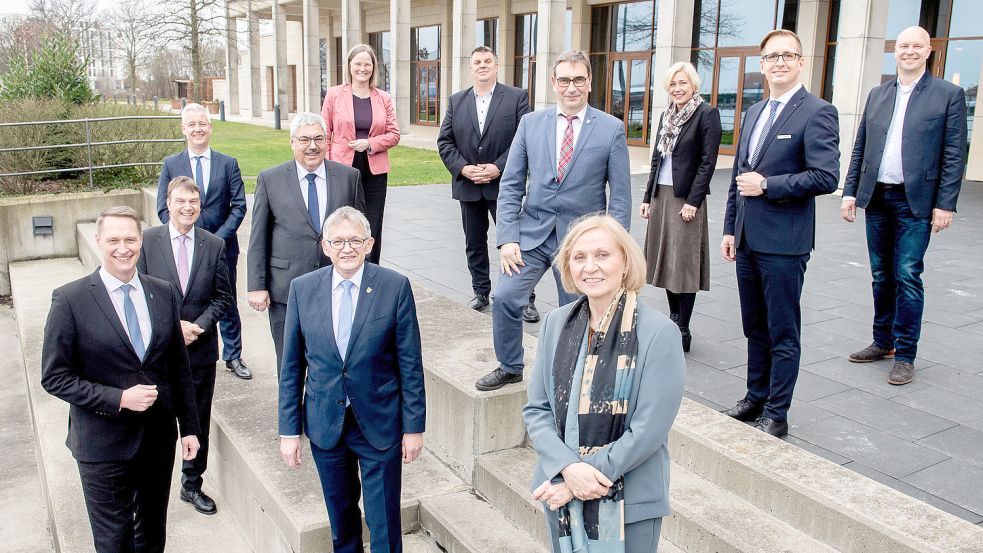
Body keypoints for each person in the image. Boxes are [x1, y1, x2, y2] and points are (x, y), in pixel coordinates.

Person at [41, 206, 200, 553]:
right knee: (114, 542)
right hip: (102, 444)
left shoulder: (164, 291)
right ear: (98, 241)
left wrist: (188, 427)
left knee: (153, 533)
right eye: (113, 240)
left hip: (157, 441)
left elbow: (178, 367)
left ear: (141, 241)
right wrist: (118, 398)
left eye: (130, 239)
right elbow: (55, 377)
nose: (123, 248)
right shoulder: (70, 299)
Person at [523, 214, 685, 553]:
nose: (590, 266)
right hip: (559, 487)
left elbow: (647, 432)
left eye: (602, 255)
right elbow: (537, 410)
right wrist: (568, 470)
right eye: (579, 257)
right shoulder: (555, 323)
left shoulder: (658, 334)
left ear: (625, 262)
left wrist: (579, 480)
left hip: (629, 500)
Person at [476, 50, 632, 392]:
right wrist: (508, 238)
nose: (571, 87)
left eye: (578, 79)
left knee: (577, 311)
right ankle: (510, 365)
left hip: (581, 243)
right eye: (564, 80)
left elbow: (620, 196)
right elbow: (512, 183)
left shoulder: (611, 129)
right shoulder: (531, 124)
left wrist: (614, 249)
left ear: (589, 83)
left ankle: (577, 374)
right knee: (504, 298)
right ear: (553, 83)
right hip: (531, 236)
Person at [278, 206, 426, 553]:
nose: (347, 248)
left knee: (384, 520)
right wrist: (289, 430)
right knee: (341, 519)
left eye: (355, 240)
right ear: (325, 246)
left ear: (369, 244)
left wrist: (413, 426)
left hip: (379, 422)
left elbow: (410, 363)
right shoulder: (302, 289)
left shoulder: (394, 287)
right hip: (325, 424)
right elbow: (291, 367)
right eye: (338, 241)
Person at [720, 29, 839, 438]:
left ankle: (777, 411)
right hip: (748, 237)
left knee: (783, 330)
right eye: (772, 57)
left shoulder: (817, 111)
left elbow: (825, 176)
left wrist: (770, 186)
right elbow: (740, 175)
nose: (780, 63)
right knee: (754, 324)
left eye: (788, 55)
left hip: (785, 243)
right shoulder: (753, 113)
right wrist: (729, 228)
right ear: (762, 64)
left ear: (801, 62)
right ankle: (755, 396)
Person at [840, 25, 967, 386]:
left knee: (908, 275)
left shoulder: (948, 95)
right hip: (877, 196)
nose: (909, 51)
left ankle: (906, 353)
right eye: (903, 45)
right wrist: (850, 192)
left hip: (917, 202)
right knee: (881, 275)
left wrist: (945, 205)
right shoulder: (878, 94)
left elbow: (954, 155)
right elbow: (861, 147)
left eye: (917, 45)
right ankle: (883, 342)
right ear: (895, 52)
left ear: (929, 51)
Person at [138, 176, 233, 516]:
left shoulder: (214, 245)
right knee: (157, 422)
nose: (187, 207)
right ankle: (150, 486)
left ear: (200, 205)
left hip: (200, 352)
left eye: (193, 201)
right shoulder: (147, 241)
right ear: (167, 203)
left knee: (197, 420)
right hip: (158, 354)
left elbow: (223, 298)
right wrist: (172, 327)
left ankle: (191, 484)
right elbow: (139, 294)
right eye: (180, 201)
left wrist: (200, 326)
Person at [247, 112, 364, 374]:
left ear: (328, 141)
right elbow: (258, 237)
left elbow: (360, 234)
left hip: (336, 287)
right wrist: (256, 285)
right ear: (292, 142)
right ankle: (290, 416)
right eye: (304, 139)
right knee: (289, 366)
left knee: (333, 365)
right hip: (285, 291)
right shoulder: (270, 179)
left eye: (318, 139)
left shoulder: (349, 177)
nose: (312, 146)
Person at [437, 46, 533, 314]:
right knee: (474, 243)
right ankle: (481, 292)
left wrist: (499, 167)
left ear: (496, 65)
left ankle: (525, 298)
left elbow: (524, 140)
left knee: (514, 241)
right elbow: (445, 141)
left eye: (487, 61)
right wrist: (463, 168)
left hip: (503, 186)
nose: (482, 65)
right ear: (470, 68)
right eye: (477, 61)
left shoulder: (516, 98)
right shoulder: (456, 101)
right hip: (468, 186)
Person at [157, 103, 250, 380]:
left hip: (222, 248)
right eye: (192, 124)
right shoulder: (171, 164)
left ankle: (233, 355)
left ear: (210, 127)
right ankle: (186, 349)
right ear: (183, 129)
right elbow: (163, 209)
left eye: (203, 124)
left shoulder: (227, 163)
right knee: (188, 299)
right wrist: (185, 235)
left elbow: (239, 206)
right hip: (182, 248)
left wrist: (216, 240)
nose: (198, 129)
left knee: (227, 300)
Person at [640, 61, 721, 352]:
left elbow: (708, 162)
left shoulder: (706, 114)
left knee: (683, 263)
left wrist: (693, 202)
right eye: (673, 84)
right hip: (662, 196)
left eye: (682, 83)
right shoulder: (667, 116)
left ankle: (683, 327)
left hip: (686, 198)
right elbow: (656, 159)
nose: (677, 89)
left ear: (693, 85)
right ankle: (674, 318)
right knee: (666, 261)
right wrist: (648, 197)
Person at [321, 43, 400, 265]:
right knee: (341, 220)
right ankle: (339, 266)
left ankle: (371, 269)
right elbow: (325, 133)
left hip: (374, 170)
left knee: (372, 223)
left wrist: (370, 143)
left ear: (374, 67)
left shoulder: (383, 97)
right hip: (342, 168)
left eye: (367, 64)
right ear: (349, 65)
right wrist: (325, 165)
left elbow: (394, 134)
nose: (362, 68)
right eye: (358, 63)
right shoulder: (335, 94)